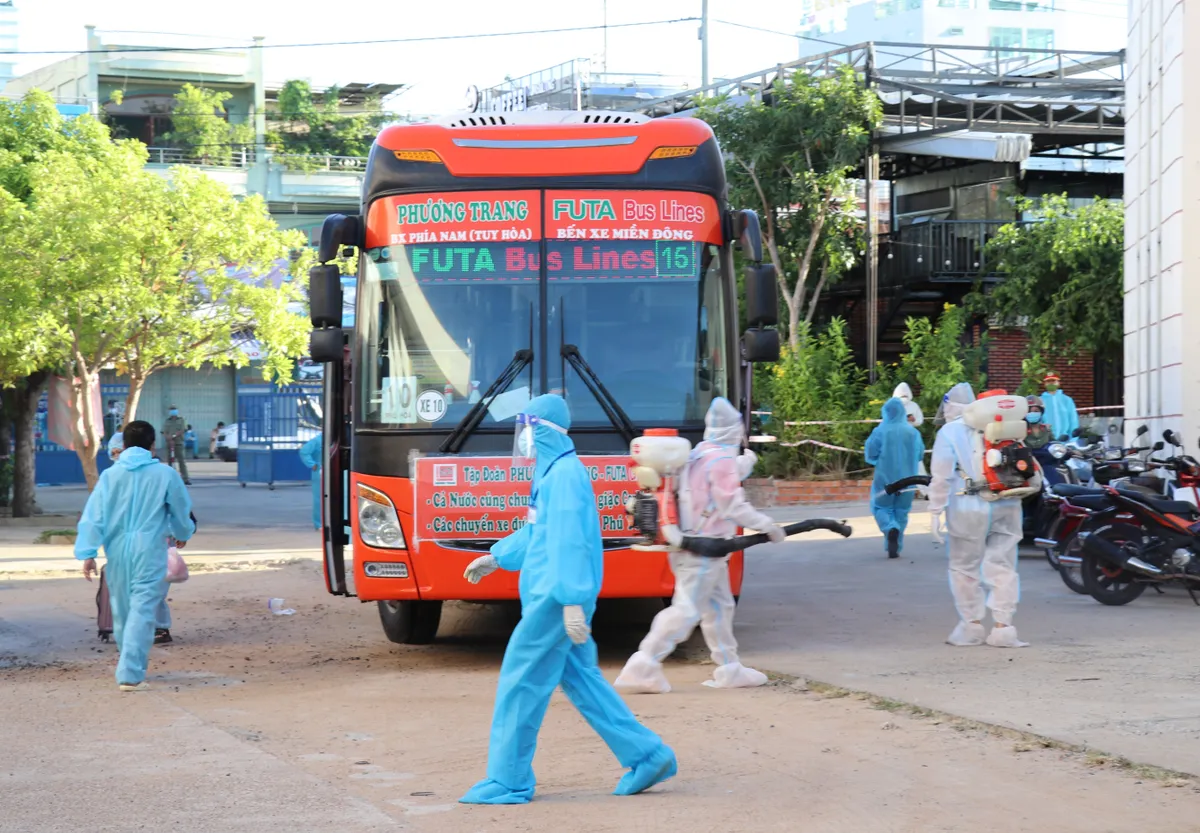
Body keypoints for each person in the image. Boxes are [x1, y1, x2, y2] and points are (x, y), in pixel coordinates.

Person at [459, 394, 676, 805]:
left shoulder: (564, 476)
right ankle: (648, 756)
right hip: (556, 595)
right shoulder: (555, 472)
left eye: (527, 429)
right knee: (582, 680)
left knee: (520, 683)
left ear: (542, 431)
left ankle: (509, 780)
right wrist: (497, 556)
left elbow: (571, 542)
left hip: (554, 601)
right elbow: (539, 533)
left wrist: (572, 600)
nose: (523, 439)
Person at [614, 398, 786, 694]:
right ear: (735, 431)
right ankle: (642, 667)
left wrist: (745, 462)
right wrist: (767, 525)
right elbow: (731, 504)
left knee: (719, 608)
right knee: (686, 611)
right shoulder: (720, 461)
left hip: (695, 547)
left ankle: (729, 668)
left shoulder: (698, 453)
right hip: (702, 551)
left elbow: (718, 476)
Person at [76, 421, 195, 690]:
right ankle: (130, 672)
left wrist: (88, 552)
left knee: (122, 608)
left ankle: (129, 663)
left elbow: (94, 516)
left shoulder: (110, 475)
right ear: (153, 445)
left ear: (124, 445)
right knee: (143, 608)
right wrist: (182, 532)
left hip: (116, 548)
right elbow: (180, 510)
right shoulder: (165, 474)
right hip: (150, 547)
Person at [928, 384, 1029, 649]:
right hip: (1007, 502)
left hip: (967, 506)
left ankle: (971, 627)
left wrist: (935, 510)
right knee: (1004, 564)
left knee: (964, 566)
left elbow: (941, 476)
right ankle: (1004, 628)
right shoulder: (1006, 426)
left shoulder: (949, 431)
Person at [865, 398, 925, 559]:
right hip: (909, 479)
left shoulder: (880, 431)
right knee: (902, 511)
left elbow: (870, 455)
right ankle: (895, 546)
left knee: (880, 507)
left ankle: (889, 528)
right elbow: (919, 455)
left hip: (885, 479)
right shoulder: (913, 432)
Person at [1041, 373, 1079, 441]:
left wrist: (1073, 440)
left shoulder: (1067, 400)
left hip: (1065, 440)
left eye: (1053, 381)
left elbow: (1073, 420)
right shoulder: (1040, 400)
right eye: (1048, 381)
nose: (1051, 383)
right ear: (1044, 384)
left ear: (1058, 383)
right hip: (1045, 440)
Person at [298, 434, 322, 531]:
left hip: (336, 470)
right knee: (319, 498)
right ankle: (319, 523)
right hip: (320, 472)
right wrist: (313, 464)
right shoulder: (318, 440)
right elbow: (304, 451)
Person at [162, 406, 190, 485]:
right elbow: (164, 431)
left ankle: (185, 479)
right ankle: (171, 479)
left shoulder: (181, 420)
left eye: (174, 410)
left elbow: (183, 429)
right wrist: (168, 438)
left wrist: (173, 436)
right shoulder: (167, 421)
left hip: (179, 443)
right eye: (171, 410)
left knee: (181, 461)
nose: (172, 411)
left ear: (177, 411)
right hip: (169, 443)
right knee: (170, 461)